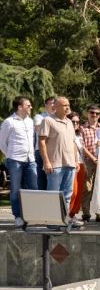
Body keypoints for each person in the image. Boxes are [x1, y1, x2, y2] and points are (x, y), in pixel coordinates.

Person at [38, 97, 80, 229]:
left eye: (68, 104)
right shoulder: (48, 120)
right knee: (53, 194)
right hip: (55, 164)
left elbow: (73, 143)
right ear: (56, 106)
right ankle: (52, 222)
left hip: (70, 164)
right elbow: (42, 142)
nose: (67, 107)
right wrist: (46, 162)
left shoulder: (69, 122)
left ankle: (65, 220)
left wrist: (76, 160)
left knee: (67, 194)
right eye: (64, 105)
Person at [0, 96, 38, 227]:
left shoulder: (30, 121)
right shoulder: (9, 122)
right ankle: (17, 216)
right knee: (15, 189)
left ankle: (31, 214)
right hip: (15, 160)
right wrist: (10, 155)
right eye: (28, 105)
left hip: (30, 159)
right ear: (20, 107)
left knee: (34, 188)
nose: (31, 107)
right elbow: (2, 142)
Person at [80, 105, 100, 222]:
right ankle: (86, 213)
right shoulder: (82, 128)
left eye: (97, 113)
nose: (94, 115)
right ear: (87, 113)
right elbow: (82, 147)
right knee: (87, 189)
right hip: (88, 161)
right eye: (92, 112)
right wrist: (93, 158)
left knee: (99, 188)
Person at [33, 97, 55, 190]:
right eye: (51, 103)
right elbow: (38, 127)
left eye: (55, 103)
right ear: (46, 106)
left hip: (54, 152)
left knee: (53, 180)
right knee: (41, 180)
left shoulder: (61, 118)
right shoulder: (39, 117)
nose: (54, 105)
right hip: (41, 152)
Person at [67, 113, 86, 222]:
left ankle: (73, 214)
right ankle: (68, 214)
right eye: (73, 121)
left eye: (77, 122)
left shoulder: (78, 136)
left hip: (81, 164)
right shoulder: (66, 135)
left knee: (79, 192)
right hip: (71, 164)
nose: (75, 124)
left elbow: (81, 153)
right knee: (72, 191)